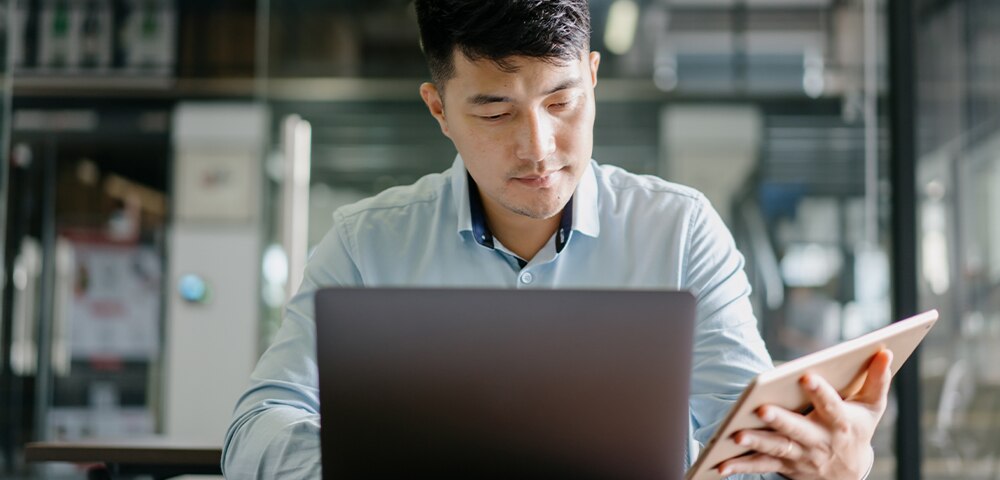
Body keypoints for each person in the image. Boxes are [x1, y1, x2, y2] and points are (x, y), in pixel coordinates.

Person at [222, 1, 892, 478]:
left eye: (562, 102)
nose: (538, 148)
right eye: (494, 109)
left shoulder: (681, 233)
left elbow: (747, 445)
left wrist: (824, 466)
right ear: (438, 109)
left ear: (594, 77)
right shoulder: (367, 246)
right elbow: (257, 425)